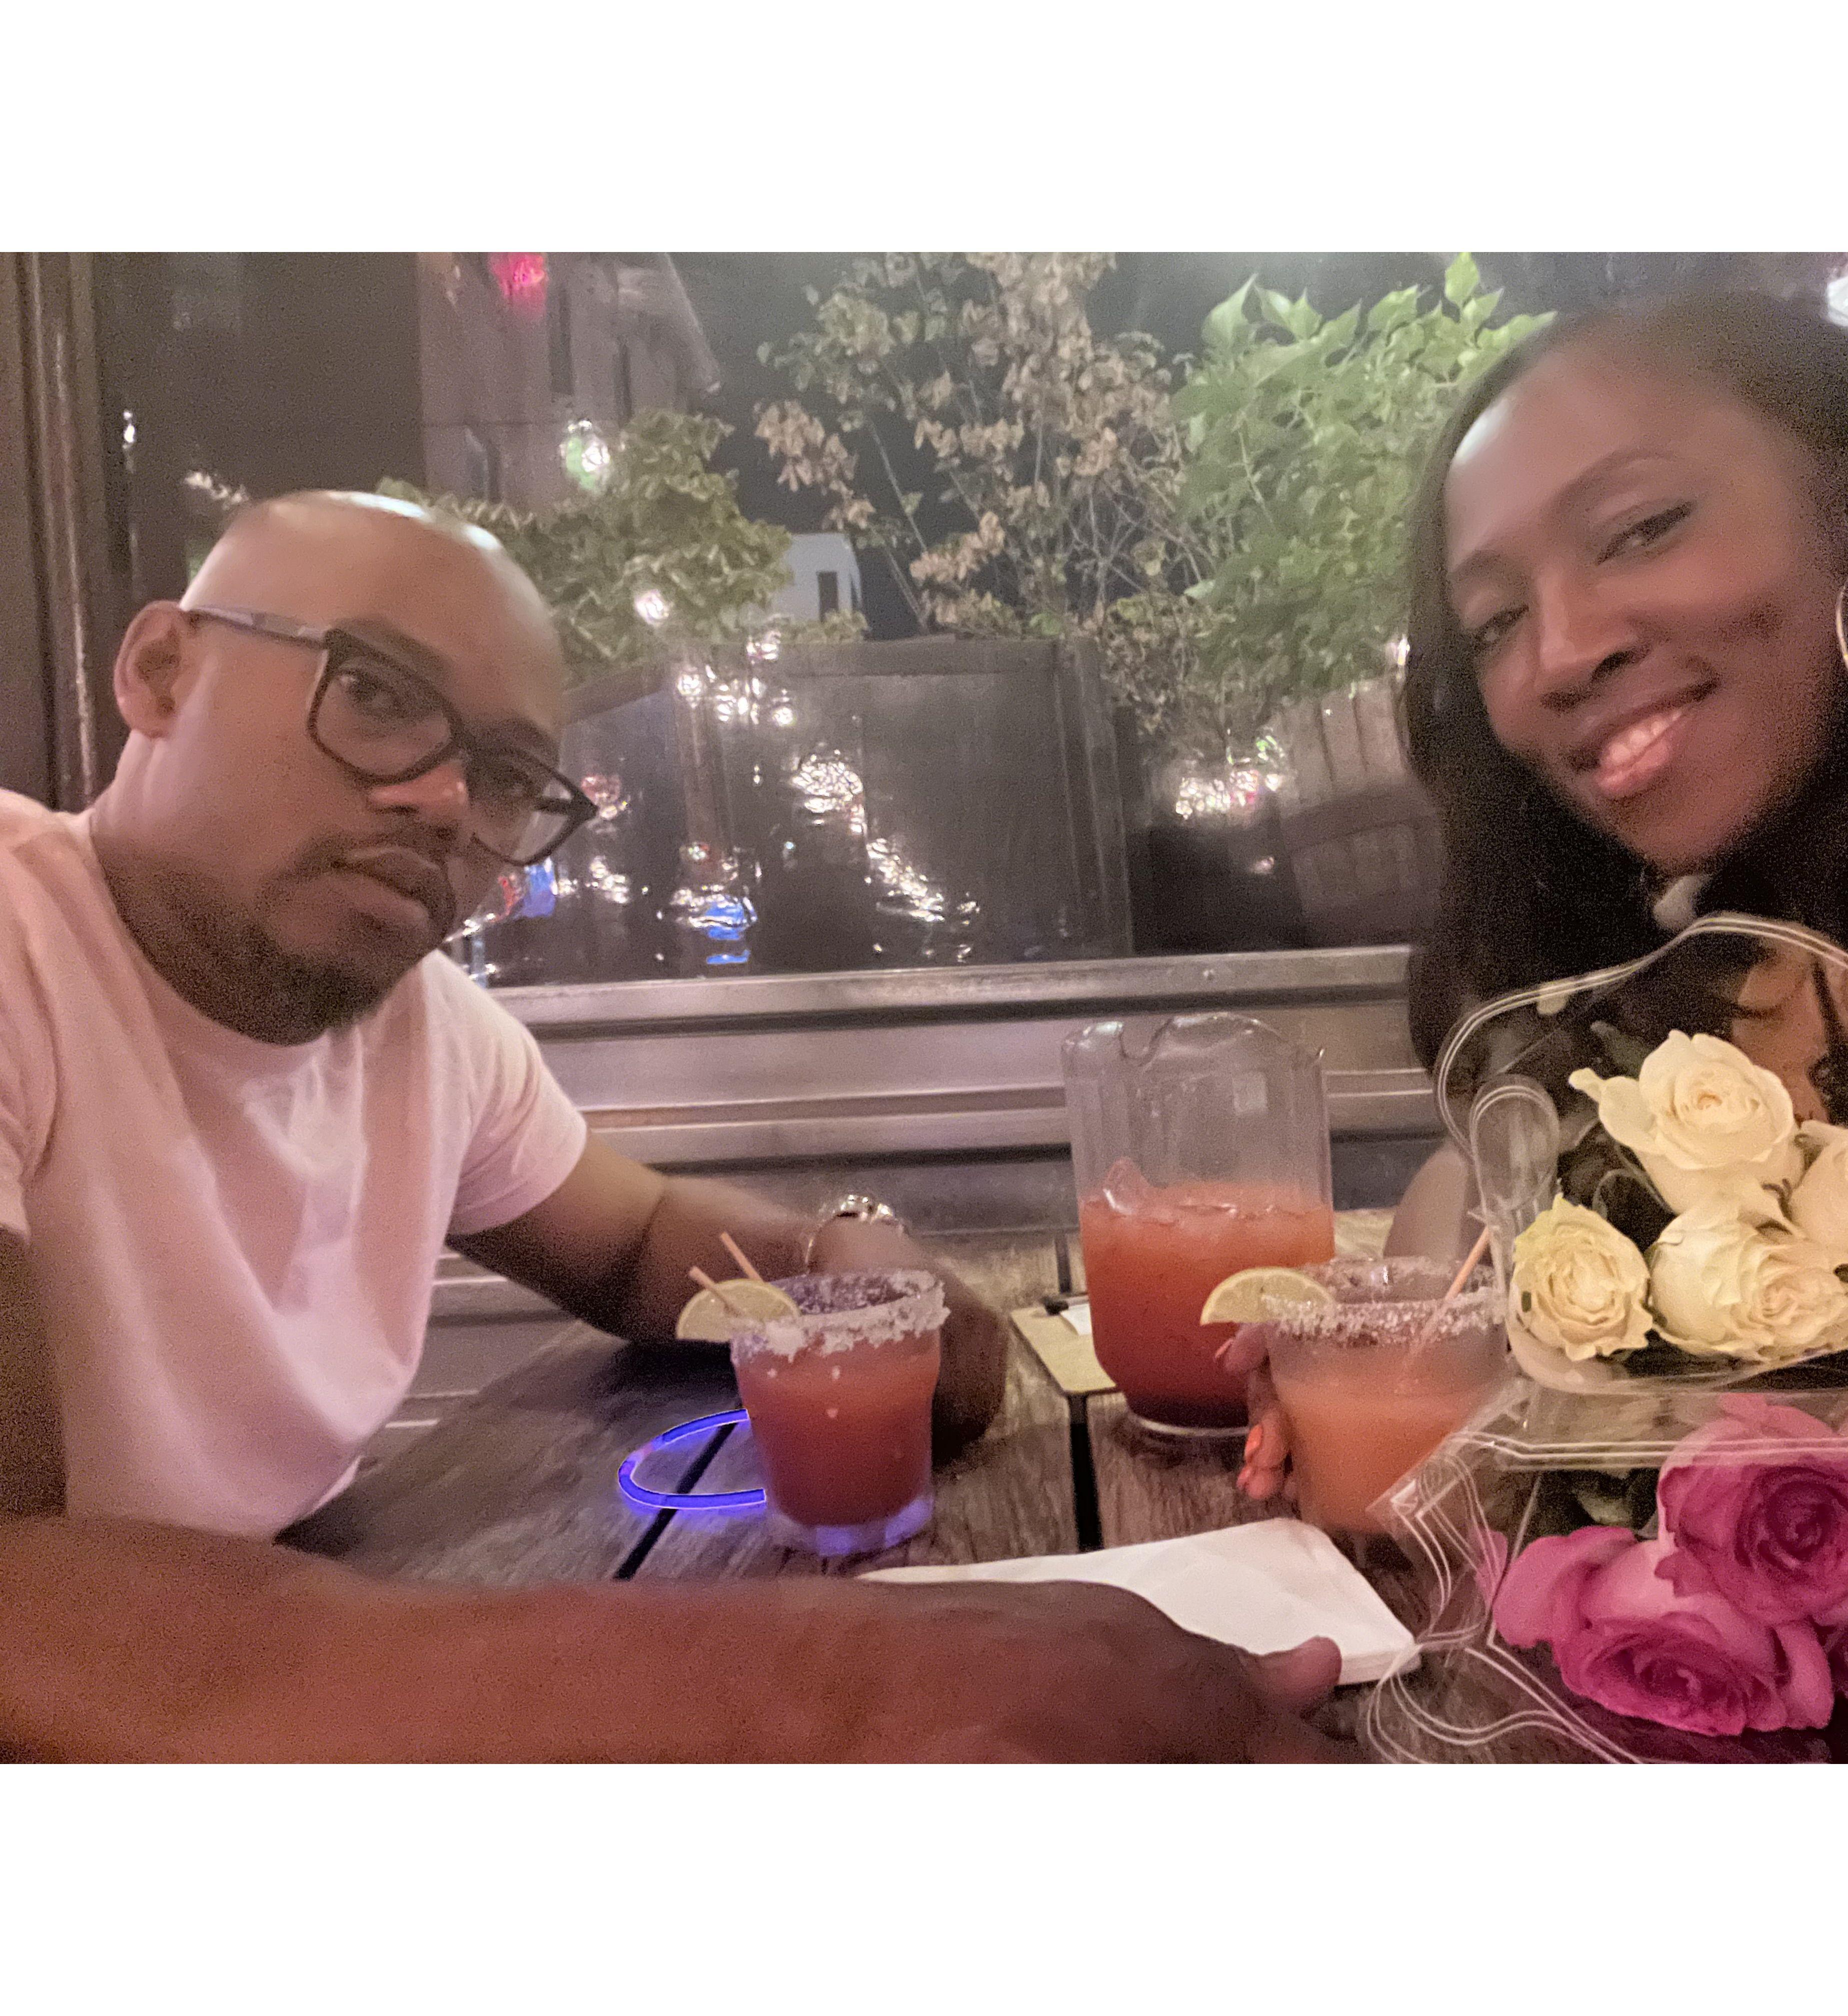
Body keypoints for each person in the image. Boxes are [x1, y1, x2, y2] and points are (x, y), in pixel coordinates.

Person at [0, 490, 1344, 1760]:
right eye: (378, 695)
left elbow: (635, 1239)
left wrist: (845, 1256)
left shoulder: (428, 1034)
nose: (445, 802)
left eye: (505, 774)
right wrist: (847, 1684)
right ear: (162, 671)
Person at [1238, 288, 1848, 1502]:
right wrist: (1393, 1336)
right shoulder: (1725, 957)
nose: (1558, 654)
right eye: (1495, 623)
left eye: (1642, 529)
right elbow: (1477, 1188)